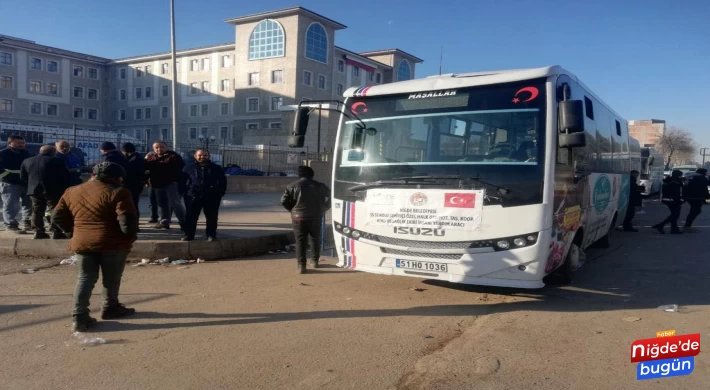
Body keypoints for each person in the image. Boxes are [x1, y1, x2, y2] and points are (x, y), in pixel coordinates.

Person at [52, 162, 138, 332]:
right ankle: (110, 307)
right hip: (112, 243)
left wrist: (72, 232)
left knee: (85, 278)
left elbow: (56, 216)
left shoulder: (71, 191)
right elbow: (126, 221)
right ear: (114, 177)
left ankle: (79, 317)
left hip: (82, 242)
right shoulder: (119, 192)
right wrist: (130, 237)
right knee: (111, 278)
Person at [281, 166, 331, 274]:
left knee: (300, 241)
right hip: (316, 216)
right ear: (312, 174)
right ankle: (314, 261)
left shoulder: (291, 186)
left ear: (300, 175)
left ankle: (301, 266)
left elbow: (284, 201)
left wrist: (292, 210)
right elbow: (331, 196)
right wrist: (324, 208)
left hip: (298, 217)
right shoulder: (320, 186)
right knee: (315, 239)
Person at [20, 145, 70, 239]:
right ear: (54, 152)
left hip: (34, 190)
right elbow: (65, 176)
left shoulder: (27, 161)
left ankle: (38, 232)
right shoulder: (57, 161)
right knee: (54, 210)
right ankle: (56, 232)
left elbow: (23, 177)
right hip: (53, 190)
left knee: (36, 211)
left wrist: (31, 184)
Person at [181, 149, 226, 242]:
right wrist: (185, 192)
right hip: (192, 196)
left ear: (208, 156)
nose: (202, 157)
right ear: (195, 156)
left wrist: (219, 193)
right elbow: (181, 181)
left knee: (212, 217)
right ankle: (189, 235)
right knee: (191, 217)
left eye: (205, 155)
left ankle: (211, 235)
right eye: (200, 155)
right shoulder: (189, 167)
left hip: (211, 196)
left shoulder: (216, 168)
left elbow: (223, 182)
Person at [144, 141, 186, 230]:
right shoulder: (152, 157)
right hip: (157, 184)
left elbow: (180, 168)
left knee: (175, 203)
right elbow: (146, 167)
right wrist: (146, 159)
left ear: (166, 147)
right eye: (157, 147)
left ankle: (184, 222)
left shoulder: (173, 156)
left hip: (170, 183)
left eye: (162, 147)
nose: (159, 149)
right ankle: (164, 222)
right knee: (162, 204)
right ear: (154, 149)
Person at [0, 135, 32, 233]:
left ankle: (27, 222)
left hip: (25, 183)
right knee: (11, 205)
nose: (22, 145)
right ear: (10, 143)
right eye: (19, 143)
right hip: (10, 183)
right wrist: (7, 176)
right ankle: (11, 224)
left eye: (23, 143)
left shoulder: (25, 153)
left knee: (28, 204)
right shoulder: (3, 153)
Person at [652, 170, 685, 234]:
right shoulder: (675, 182)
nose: (681, 176)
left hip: (669, 200)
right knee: (675, 215)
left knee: (674, 215)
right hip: (673, 201)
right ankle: (661, 226)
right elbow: (676, 193)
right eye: (680, 175)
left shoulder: (670, 180)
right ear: (678, 175)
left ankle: (673, 229)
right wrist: (679, 200)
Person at [121, 143, 146, 221]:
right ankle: (135, 222)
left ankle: (134, 223)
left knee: (132, 204)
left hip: (131, 184)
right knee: (134, 203)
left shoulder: (131, 159)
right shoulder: (139, 157)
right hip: (137, 184)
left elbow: (128, 171)